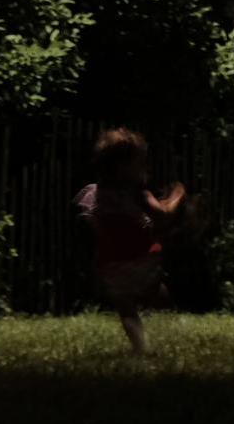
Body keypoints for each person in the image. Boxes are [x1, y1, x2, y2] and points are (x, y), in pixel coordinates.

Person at [72, 128, 185, 357]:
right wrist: (177, 195)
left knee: (126, 308)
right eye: (141, 163)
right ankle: (169, 333)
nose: (146, 168)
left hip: (111, 265)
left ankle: (141, 347)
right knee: (158, 293)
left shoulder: (95, 194)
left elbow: (88, 226)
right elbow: (163, 214)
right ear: (123, 167)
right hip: (142, 260)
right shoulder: (138, 194)